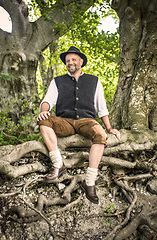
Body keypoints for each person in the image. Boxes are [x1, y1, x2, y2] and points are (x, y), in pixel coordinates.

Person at [37, 46, 120, 204]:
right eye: (68, 61)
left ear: (81, 61)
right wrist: (44, 110)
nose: (70, 63)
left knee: (101, 135)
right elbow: (47, 101)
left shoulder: (94, 81)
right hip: (65, 121)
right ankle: (58, 164)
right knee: (43, 119)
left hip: (86, 121)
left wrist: (109, 128)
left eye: (74, 59)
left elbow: (102, 108)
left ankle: (89, 181)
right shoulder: (58, 81)